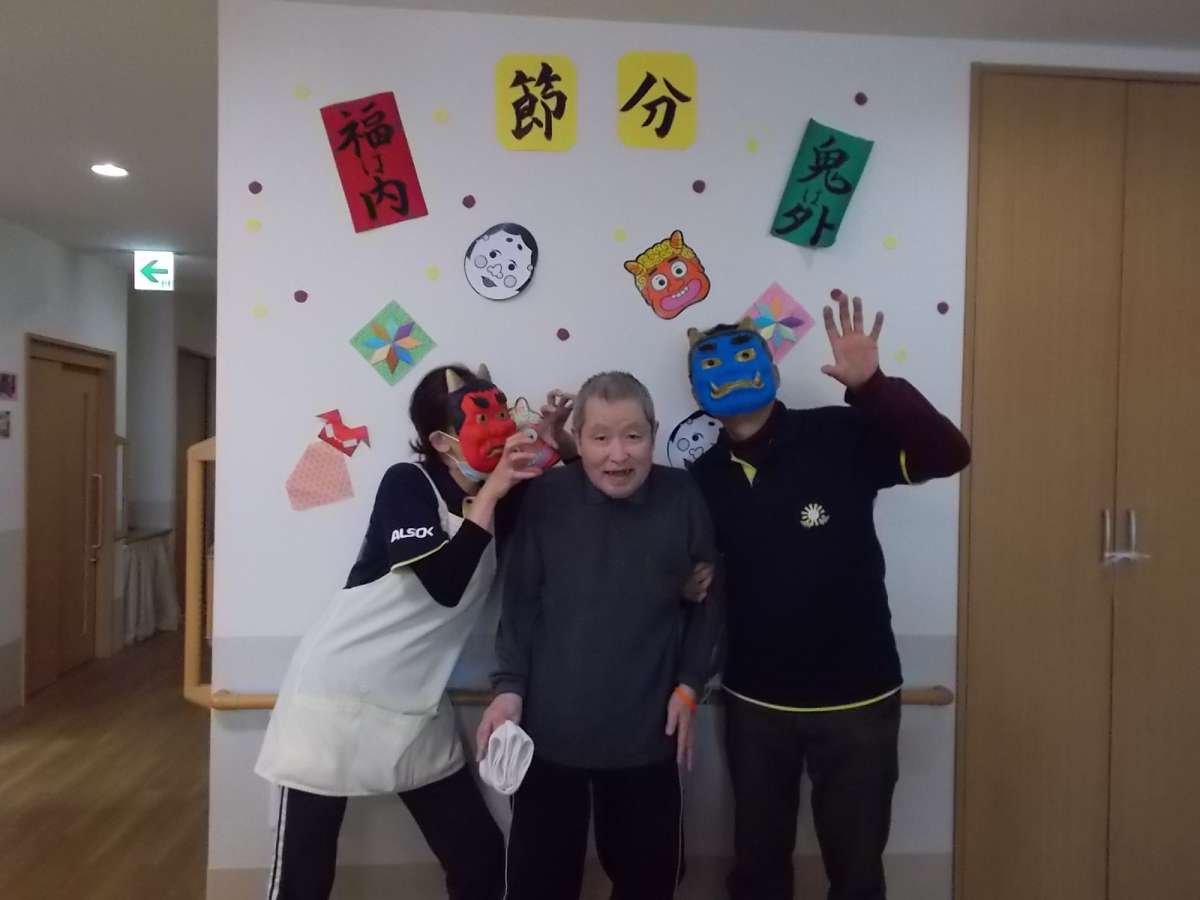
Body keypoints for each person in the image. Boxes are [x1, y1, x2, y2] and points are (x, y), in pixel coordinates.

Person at [685, 293, 971, 900]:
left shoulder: (840, 433)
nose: (730, 370)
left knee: (858, 872)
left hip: (859, 696)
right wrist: (687, 583)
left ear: (771, 367)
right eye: (711, 364)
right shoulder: (701, 479)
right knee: (758, 871)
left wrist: (873, 387)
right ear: (695, 390)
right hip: (755, 700)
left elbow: (950, 455)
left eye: (744, 356)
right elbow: (680, 569)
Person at [254, 364, 575, 900]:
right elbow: (444, 584)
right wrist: (492, 494)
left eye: (500, 413)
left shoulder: (506, 497)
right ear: (442, 441)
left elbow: (579, 503)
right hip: (334, 698)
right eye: (480, 419)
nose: (499, 428)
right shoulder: (408, 482)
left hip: (415, 704)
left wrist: (560, 445)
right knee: (304, 876)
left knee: (478, 856)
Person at [476, 371, 723, 900]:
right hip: (547, 733)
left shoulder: (682, 494)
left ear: (653, 433)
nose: (618, 455)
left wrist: (689, 683)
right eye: (600, 437)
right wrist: (508, 688)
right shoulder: (545, 497)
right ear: (578, 439)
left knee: (651, 879)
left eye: (633, 436)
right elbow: (519, 602)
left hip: (647, 735)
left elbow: (709, 598)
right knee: (539, 882)